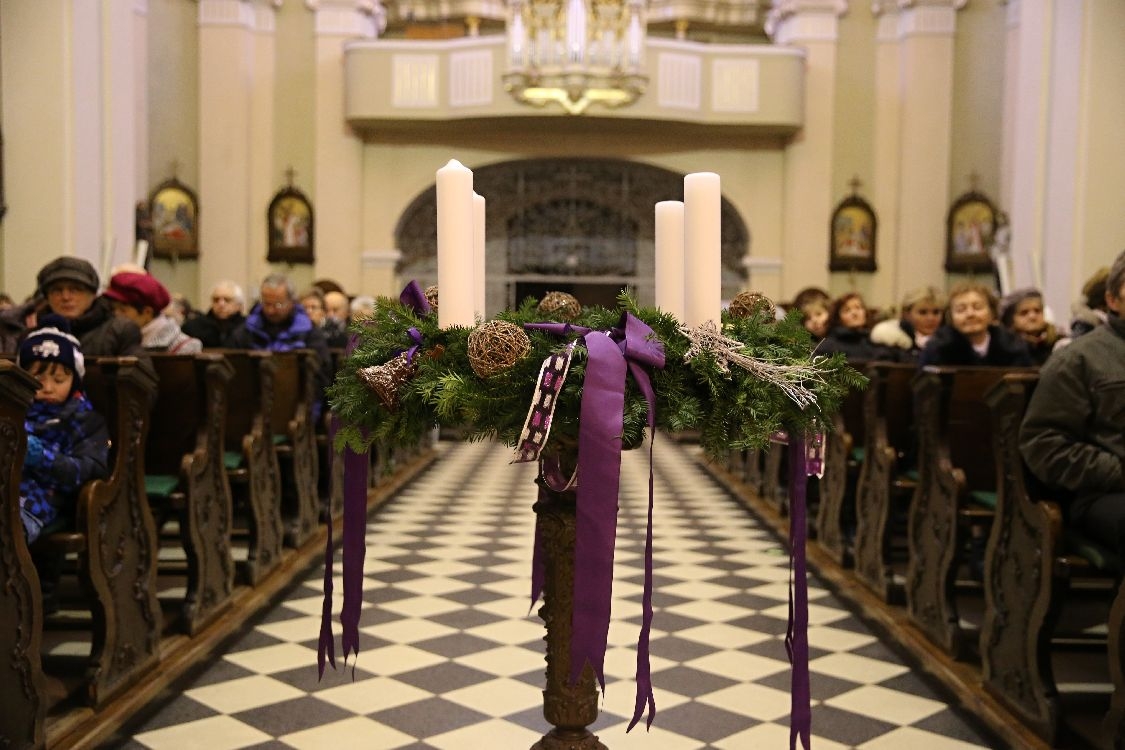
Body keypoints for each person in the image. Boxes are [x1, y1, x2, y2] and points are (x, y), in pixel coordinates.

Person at [1020, 249, 1125, 556]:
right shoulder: (1079, 359)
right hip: (1104, 494)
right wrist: (1118, 471)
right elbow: (1043, 443)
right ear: (1112, 301)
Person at [17, 317, 111, 544]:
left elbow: (88, 470)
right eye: (37, 377)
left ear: (75, 381)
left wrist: (42, 457)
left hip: (37, 504)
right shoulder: (12, 410)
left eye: (59, 379)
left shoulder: (87, 420)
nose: (47, 387)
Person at [0, 257, 146, 359]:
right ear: (47, 297)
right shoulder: (32, 337)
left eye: (75, 290)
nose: (66, 297)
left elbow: (138, 385)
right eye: (57, 290)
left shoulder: (121, 331)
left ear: (93, 294)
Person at [227, 273, 332, 398]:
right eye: (267, 304)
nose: (271, 310)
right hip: (251, 401)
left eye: (278, 304)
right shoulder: (246, 331)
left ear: (292, 302)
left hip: (296, 402)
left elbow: (322, 375)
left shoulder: (309, 332)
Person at [918, 282, 1033, 367]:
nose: (970, 314)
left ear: (992, 313)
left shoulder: (1013, 347)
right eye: (961, 309)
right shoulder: (937, 349)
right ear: (951, 317)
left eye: (977, 307)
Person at [103, 272, 202, 354]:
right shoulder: (114, 339)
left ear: (147, 312)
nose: (116, 314)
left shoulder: (184, 346)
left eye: (123, 310)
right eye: (114, 309)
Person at [870, 286, 946, 361]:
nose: (931, 318)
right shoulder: (891, 343)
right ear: (907, 314)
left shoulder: (949, 341)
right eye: (923, 312)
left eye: (936, 312)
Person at [817, 292, 897, 362]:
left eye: (858, 308)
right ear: (838, 318)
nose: (854, 313)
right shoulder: (829, 345)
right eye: (847, 310)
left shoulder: (875, 340)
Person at [999, 288, 1058, 366]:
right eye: (1024, 313)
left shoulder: (1058, 343)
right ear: (1010, 320)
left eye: (1037, 311)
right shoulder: (1004, 347)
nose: (1032, 316)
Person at [182, 280, 246, 348]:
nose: (221, 304)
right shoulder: (193, 327)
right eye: (216, 300)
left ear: (239, 305)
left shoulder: (247, 328)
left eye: (227, 300)